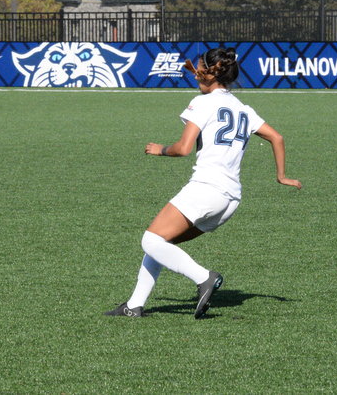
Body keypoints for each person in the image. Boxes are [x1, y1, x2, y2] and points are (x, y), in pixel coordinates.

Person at [104, 47, 301, 319]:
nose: (195, 74)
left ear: (209, 74)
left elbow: (183, 148)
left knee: (150, 240)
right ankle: (134, 305)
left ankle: (204, 277)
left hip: (207, 188)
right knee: (161, 242)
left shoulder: (202, 102)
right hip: (230, 199)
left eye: (199, 68)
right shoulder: (243, 109)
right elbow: (277, 138)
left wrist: (161, 149)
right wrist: (281, 176)